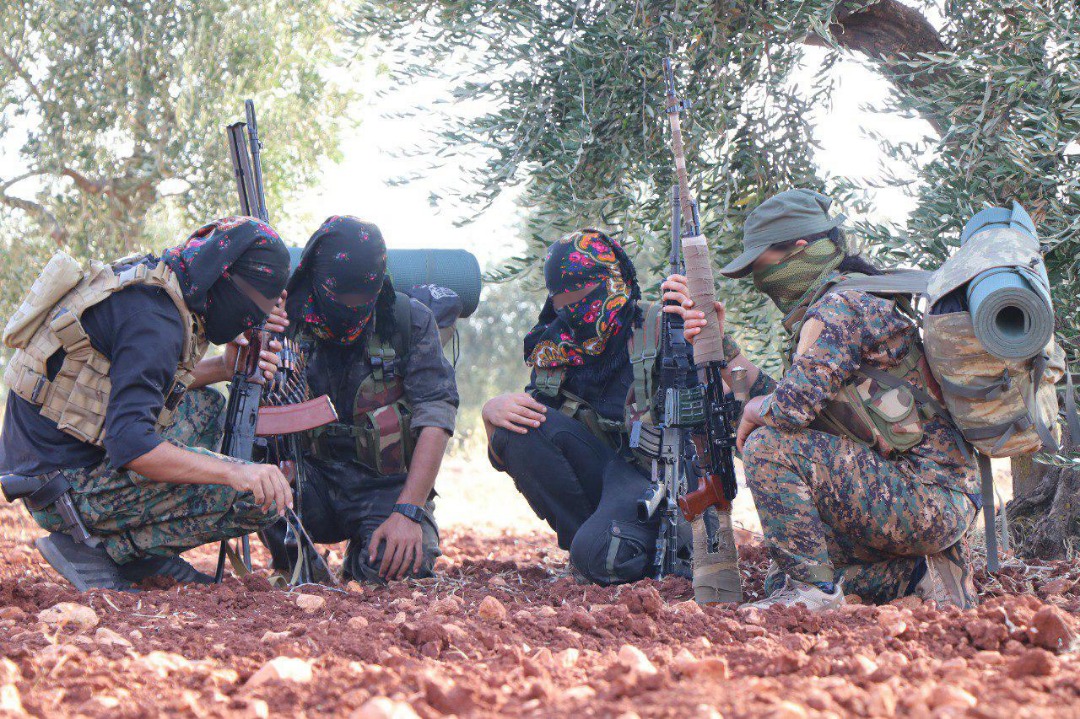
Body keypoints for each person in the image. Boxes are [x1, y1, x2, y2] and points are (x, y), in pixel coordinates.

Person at [663, 189, 980, 610]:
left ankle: (813, 594)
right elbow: (795, 398)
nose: (760, 279)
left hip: (926, 499)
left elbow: (788, 411)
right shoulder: (847, 298)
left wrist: (753, 414)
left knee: (768, 446)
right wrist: (721, 346)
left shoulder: (839, 308)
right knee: (782, 572)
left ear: (798, 249)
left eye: (761, 264)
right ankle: (920, 577)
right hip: (931, 497)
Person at [0, 217, 293, 591]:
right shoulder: (156, 321)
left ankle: (135, 547)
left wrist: (223, 366)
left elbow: (135, 381)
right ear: (226, 281)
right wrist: (236, 471)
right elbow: (132, 445)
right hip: (64, 488)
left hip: (50, 457)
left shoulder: (156, 285)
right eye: (257, 309)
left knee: (208, 408)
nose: (254, 320)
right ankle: (117, 551)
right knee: (256, 496)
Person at [483, 229, 689, 585]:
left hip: (659, 482)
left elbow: (718, 406)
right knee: (516, 426)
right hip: (605, 476)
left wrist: (701, 337)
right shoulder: (554, 346)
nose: (572, 309)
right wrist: (492, 416)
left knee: (602, 558)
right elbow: (531, 442)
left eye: (583, 295)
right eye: (562, 300)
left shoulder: (662, 326)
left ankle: (620, 546)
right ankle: (596, 541)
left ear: (615, 283)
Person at [261, 216, 457, 582]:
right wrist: (257, 338)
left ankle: (362, 557)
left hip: (385, 486)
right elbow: (250, 408)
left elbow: (437, 415)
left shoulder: (407, 320)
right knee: (254, 484)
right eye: (341, 296)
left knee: (396, 567)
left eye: (362, 296)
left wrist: (409, 511)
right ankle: (296, 562)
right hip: (308, 481)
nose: (352, 306)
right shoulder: (284, 320)